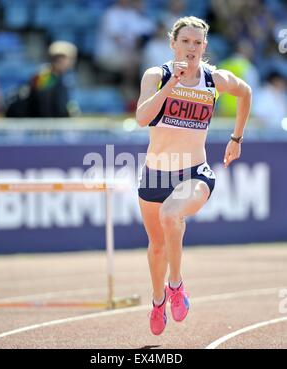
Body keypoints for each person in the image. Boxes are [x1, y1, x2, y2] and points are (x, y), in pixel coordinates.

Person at [136, 16, 252, 336]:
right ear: (172, 44)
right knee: (156, 247)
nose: (191, 48)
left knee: (171, 214)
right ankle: (158, 300)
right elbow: (142, 118)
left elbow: (245, 93)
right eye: (185, 42)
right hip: (156, 175)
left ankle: (177, 285)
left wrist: (236, 138)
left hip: (194, 172)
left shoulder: (214, 79)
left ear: (205, 47)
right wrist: (172, 84)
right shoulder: (156, 75)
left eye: (198, 43)